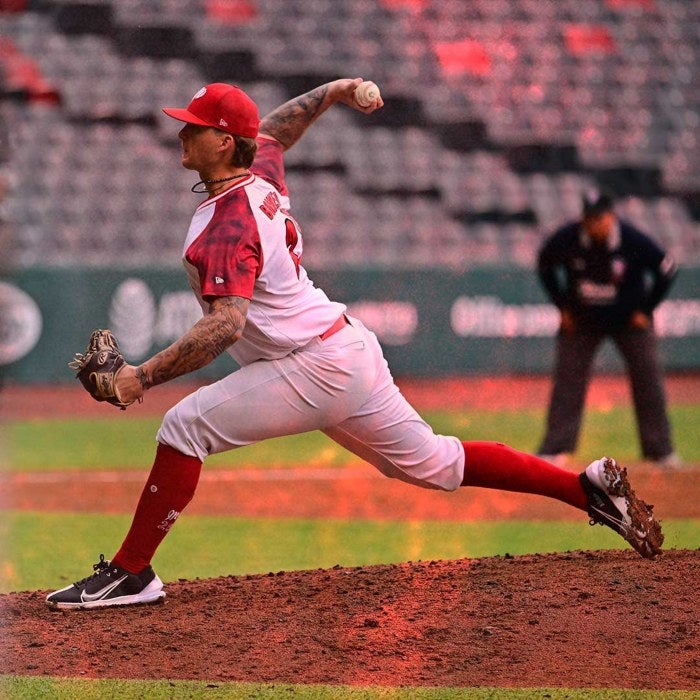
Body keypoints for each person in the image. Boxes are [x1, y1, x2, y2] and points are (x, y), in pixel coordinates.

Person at [46, 79, 664, 610]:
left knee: (184, 426)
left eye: (197, 128)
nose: (184, 134)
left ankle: (131, 574)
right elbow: (278, 129)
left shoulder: (229, 220)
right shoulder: (255, 167)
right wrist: (338, 90)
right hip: (344, 348)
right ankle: (583, 488)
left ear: (225, 143)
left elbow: (227, 325)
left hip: (311, 365)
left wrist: (142, 377)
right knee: (437, 463)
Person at [536, 191, 680, 468]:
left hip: (628, 320)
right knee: (567, 383)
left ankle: (660, 451)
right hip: (582, 320)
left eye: (599, 219)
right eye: (588, 219)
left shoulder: (632, 239)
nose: (594, 225)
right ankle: (555, 448)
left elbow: (667, 268)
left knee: (648, 381)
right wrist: (561, 305)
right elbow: (544, 263)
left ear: (611, 216)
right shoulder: (568, 238)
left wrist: (646, 310)